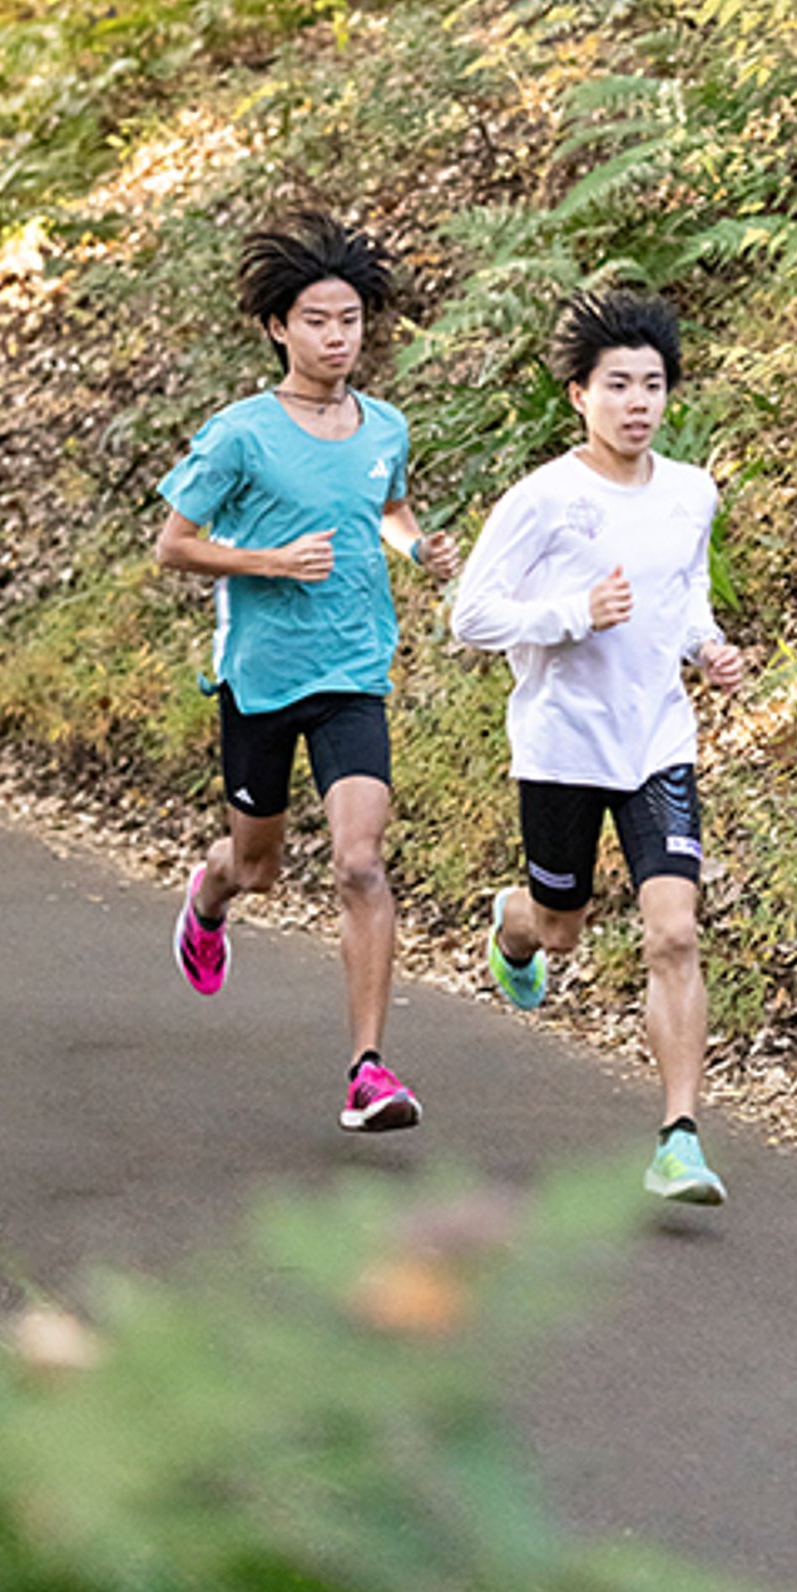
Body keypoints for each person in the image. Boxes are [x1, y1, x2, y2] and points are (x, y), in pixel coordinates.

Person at [155, 210, 459, 1132]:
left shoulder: (386, 427)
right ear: (279, 328)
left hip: (353, 669)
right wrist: (270, 563)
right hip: (260, 675)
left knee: (361, 861)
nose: (338, 338)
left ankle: (369, 1071)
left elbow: (390, 510)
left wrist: (419, 551)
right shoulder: (241, 434)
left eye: (353, 321)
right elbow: (174, 547)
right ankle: (209, 897)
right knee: (258, 868)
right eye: (319, 321)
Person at [450, 288, 745, 1204]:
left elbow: (685, 591)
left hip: (657, 740)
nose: (638, 403)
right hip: (561, 744)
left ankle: (679, 1138)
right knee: (564, 928)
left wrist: (707, 645)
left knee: (674, 931)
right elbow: (471, 617)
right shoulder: (544, 500)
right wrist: (574, 614)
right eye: (617, 384)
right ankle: (517, 921)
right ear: (579, 394)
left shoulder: (692, 491)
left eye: (652, 385)